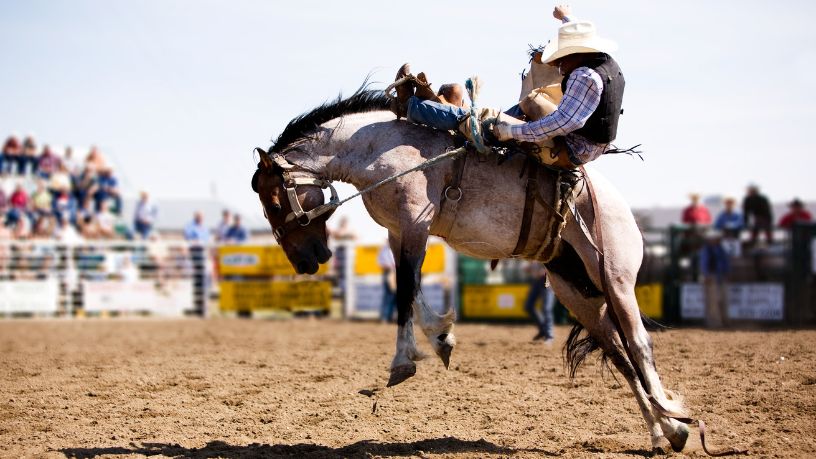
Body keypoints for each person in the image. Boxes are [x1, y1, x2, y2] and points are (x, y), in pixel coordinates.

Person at [392, 5, 625, 169]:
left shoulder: (585, 77)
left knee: (489, 121)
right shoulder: (599, 60)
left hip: (569, 149)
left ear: (578, 52)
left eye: (563, 57)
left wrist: (510, 131)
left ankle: (410, 106)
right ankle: (452, 114)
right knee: (533, 101)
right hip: (583, 142)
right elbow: (578, 36)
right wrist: (566, 17)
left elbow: (561, 124)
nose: (559, 65)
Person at [699, 230, 730, 328]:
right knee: (713, 302)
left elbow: (725, 263)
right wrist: (707, 275)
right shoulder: (707, 250)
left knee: (722, 300)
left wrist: (726, 273)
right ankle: (714, 322)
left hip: (720, 276)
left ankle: (723, 320)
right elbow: (704, 264)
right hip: (711, 277)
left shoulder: (720, 249)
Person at [523, 262, 556, 343]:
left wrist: (543, 271)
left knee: (546, 308)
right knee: (528, 306)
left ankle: (549, 335)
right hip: (536, 281)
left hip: (547, 279)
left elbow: (551, 266)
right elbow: (530, 267)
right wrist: (529, 268)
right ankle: (543, 330)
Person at [377, 242, 397, 322]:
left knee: (396, 296)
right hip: (389, 272)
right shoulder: (384, 250)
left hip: (397, 272)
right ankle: (386, 317)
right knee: (389, 295)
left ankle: (390, 317)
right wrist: (390, 266)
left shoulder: (394, 248)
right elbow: (380, 262)